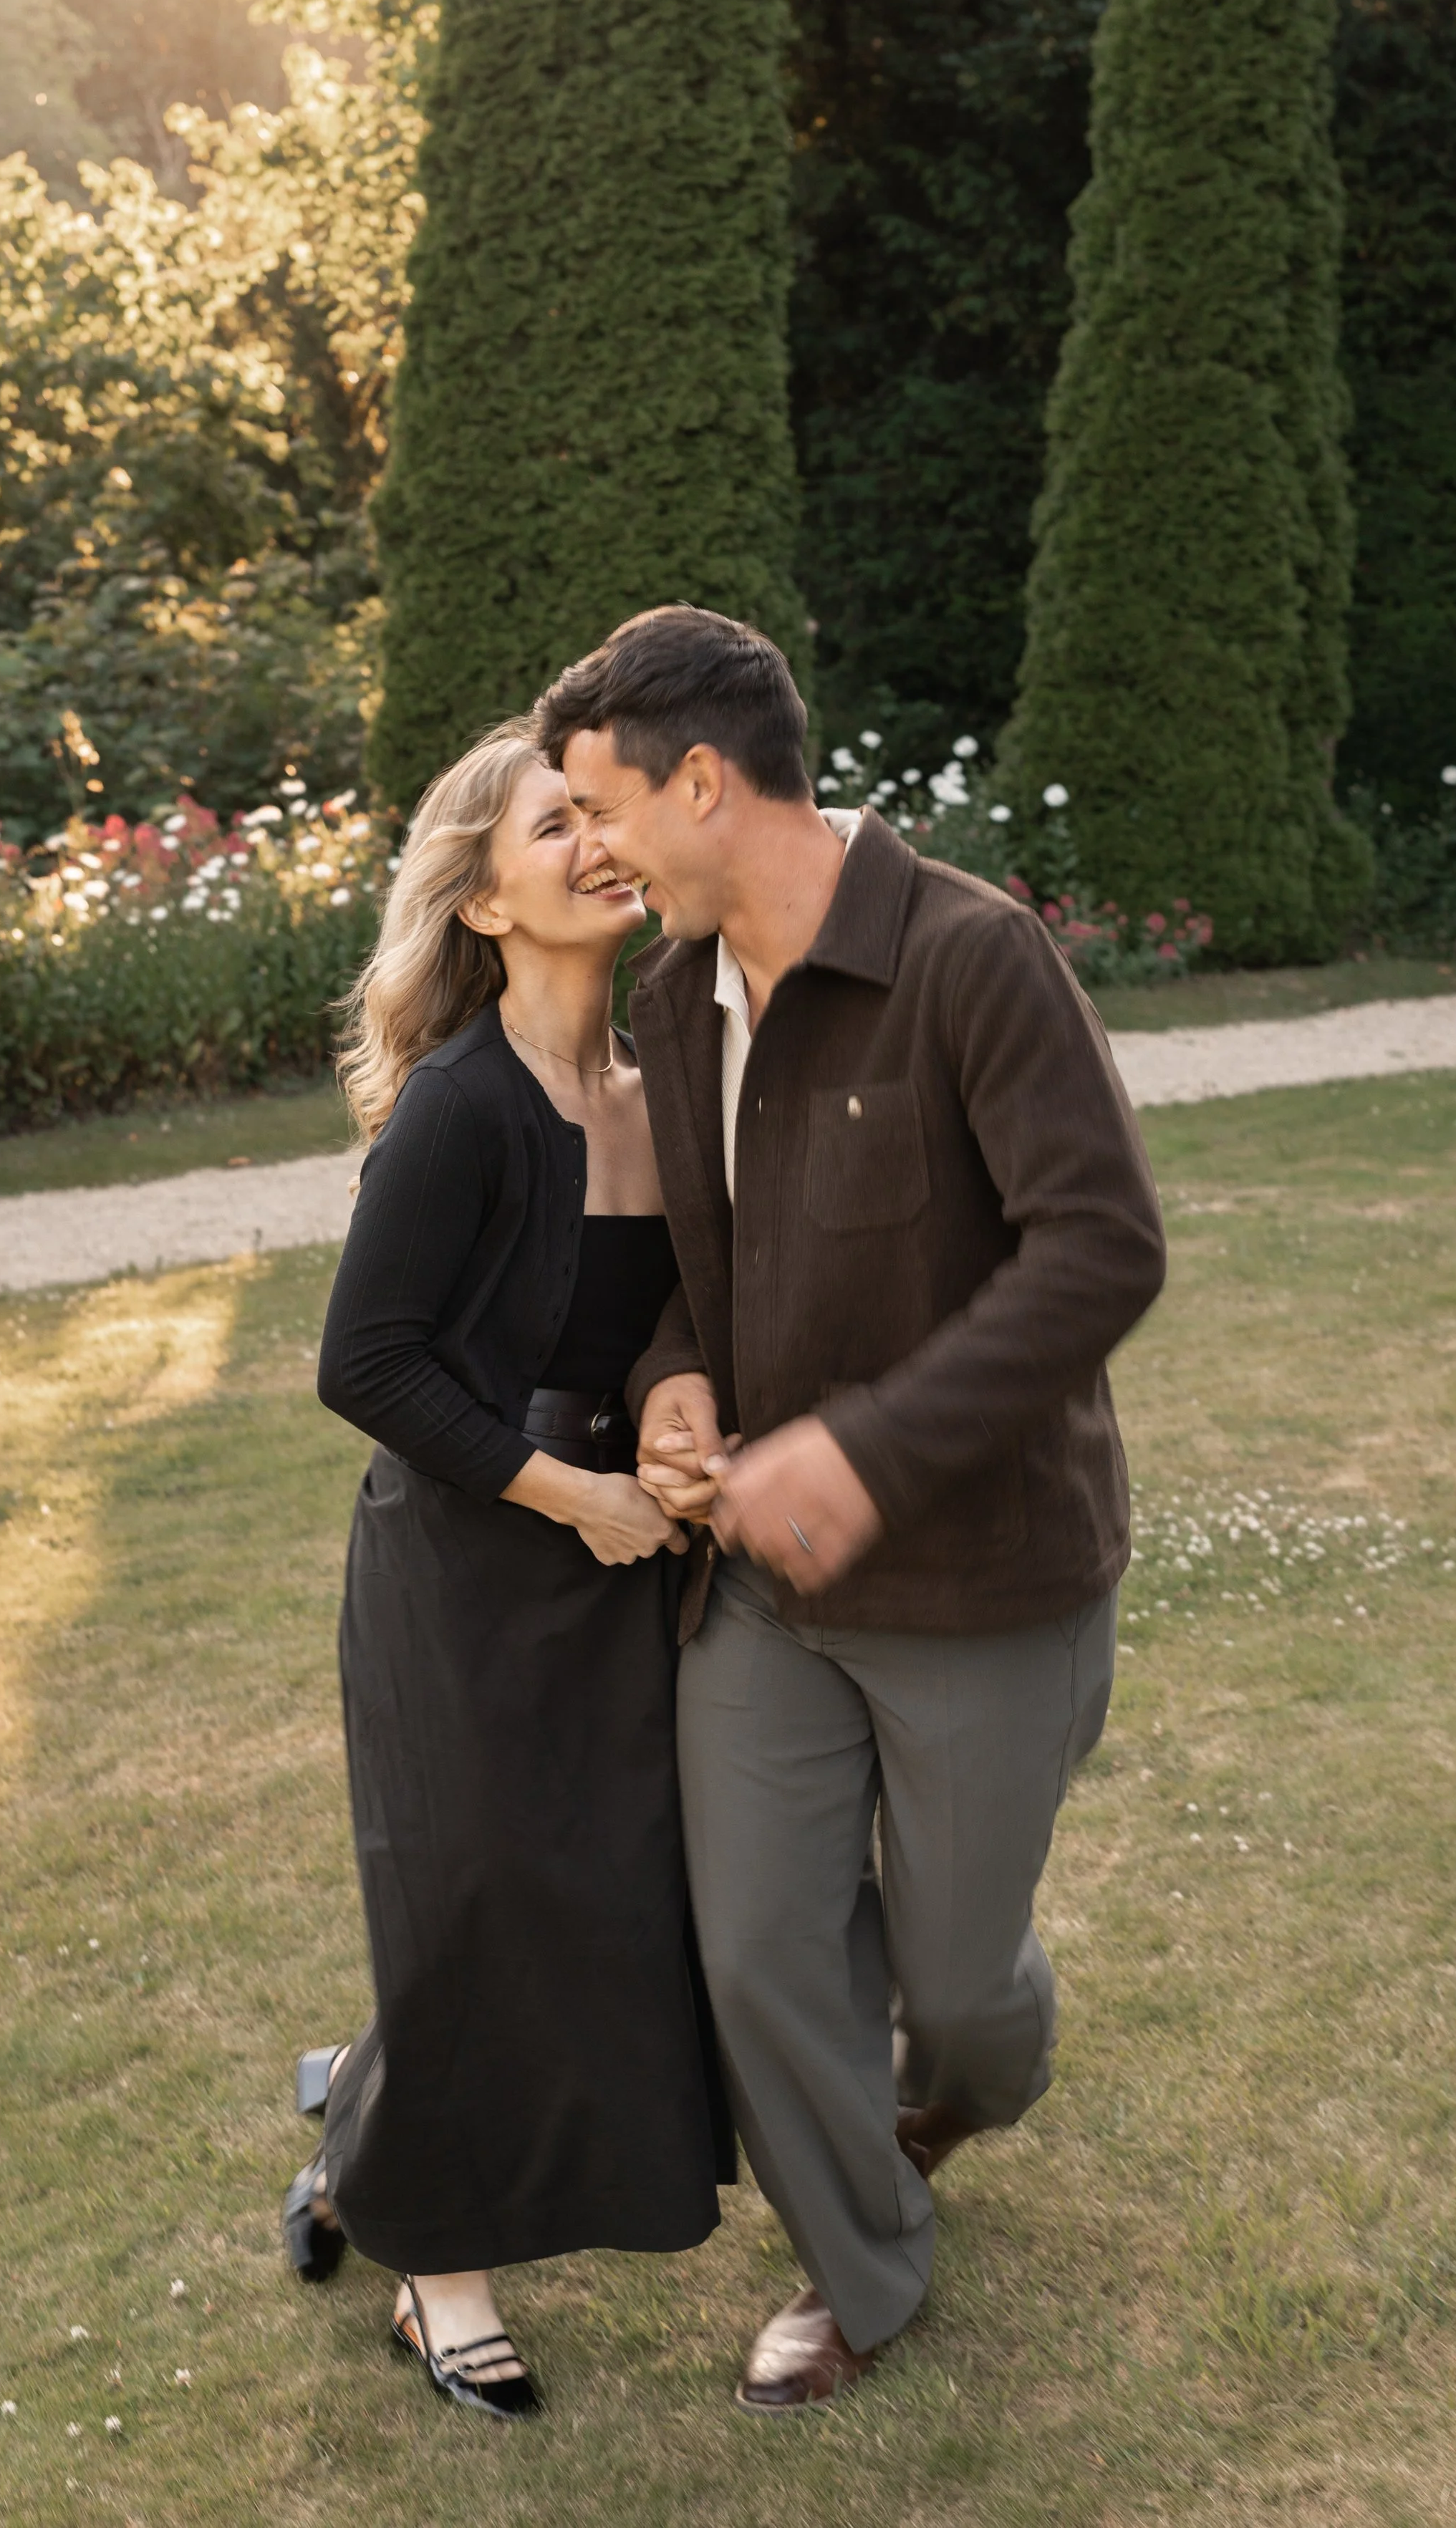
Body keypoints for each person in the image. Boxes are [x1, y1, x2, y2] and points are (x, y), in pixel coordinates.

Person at [539, 607, 1167, 2413]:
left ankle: (966, 2068)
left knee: (960, 2008)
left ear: (706, 782)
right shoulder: (677, 992)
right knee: (757, 1951)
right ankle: (859, 2267)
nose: (593, 851)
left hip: (984, 1582)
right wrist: (675, 1380)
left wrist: (867, 1451)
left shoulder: (976, 961)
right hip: (761, 1597)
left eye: (605, 810)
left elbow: (1100, 1251)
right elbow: (707, 1276)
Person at [282, 721, 733, 2424]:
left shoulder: (653, 1087)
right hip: (469, 1573)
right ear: (481, 902)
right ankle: (439, 2280)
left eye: (601, 817)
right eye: (557, 826)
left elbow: (686, 1311)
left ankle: (356, 2137)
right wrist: (572, 1494)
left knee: (590, 1902)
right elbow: (366, 1367)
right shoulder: (460, 1109)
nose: (596, 845)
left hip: (615, 1560)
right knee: (471, 1904)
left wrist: (674, 1432)